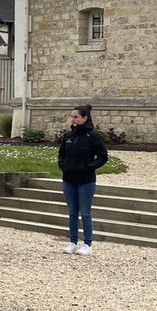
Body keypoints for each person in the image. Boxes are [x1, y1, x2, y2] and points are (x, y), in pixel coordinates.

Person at [58, 104, 109, 256]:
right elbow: (61, 154)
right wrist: (63, 165)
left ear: (84, 118)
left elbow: (103, 156)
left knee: (85, 212)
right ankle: (73, 241)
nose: (73, 119)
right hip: (68, 179)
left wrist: (88, 167)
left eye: (76, 117)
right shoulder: (68, 136)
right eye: (72, 116)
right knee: (72, 212)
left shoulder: (93, 136)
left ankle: (87, 243)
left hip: (86, 180)